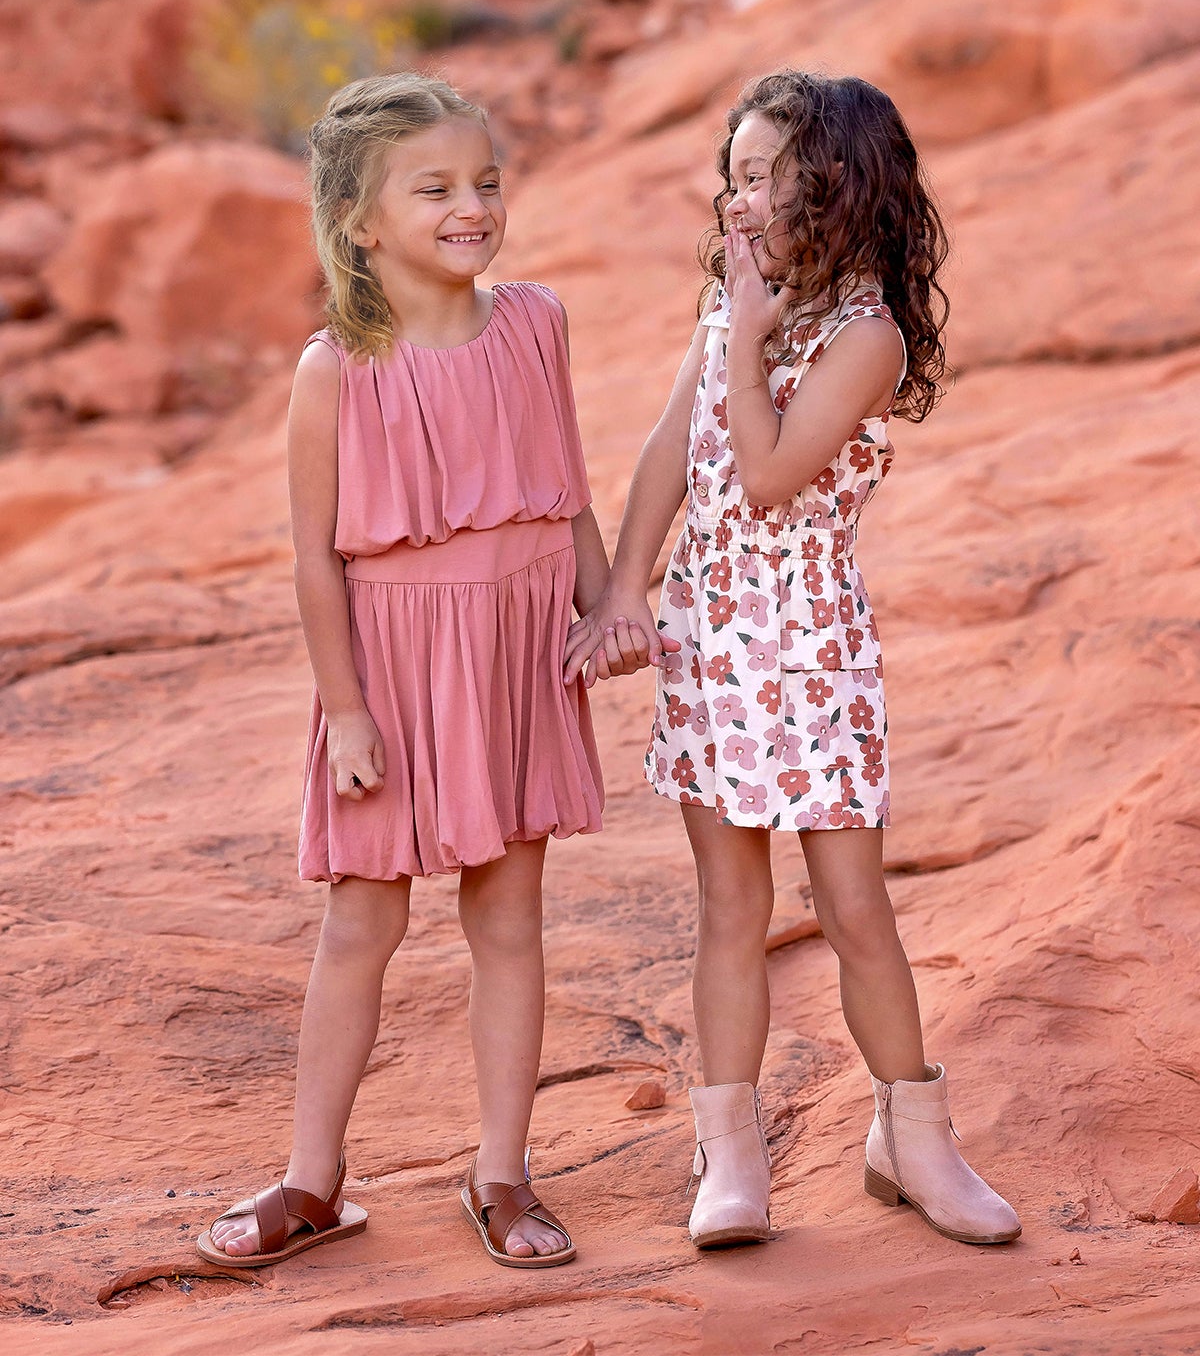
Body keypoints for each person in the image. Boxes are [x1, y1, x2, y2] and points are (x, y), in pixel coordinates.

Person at [565, 69, 1021, 1250]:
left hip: (813, 649)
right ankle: (731, 1157)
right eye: (733, 175)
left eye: (764, 175)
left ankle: (912, 1137)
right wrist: (624, 590)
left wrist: (754, 332)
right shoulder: (735, 310)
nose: (740, 198)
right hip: (712, 641)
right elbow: (671, 453)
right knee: (731, 903)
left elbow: (768, 477)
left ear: (836, 185)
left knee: (852, 903)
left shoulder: (862, 334)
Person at [198, 73, 607, 1271]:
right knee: (360, 920)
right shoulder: (334, 370)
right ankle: (312, 1181)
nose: (471, 206)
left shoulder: (535, 321)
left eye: (485, 182)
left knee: (509, 913)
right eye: (435, 188)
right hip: (392, 665)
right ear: (362, 222)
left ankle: (503, 1177)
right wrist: (348, 713)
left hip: (516, 656)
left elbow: (567, 487)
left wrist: (605, 606)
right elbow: (316, 563)